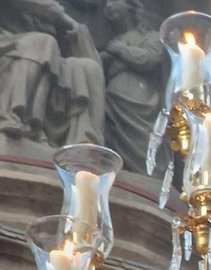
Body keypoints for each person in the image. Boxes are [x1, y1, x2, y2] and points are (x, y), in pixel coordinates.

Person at [0, 0, 105, 145]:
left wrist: (79, 35)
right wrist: (67, 20)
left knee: (89, 68)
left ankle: (84, 144)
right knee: (42, 43)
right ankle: (13, 117)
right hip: (7, 43)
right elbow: (43, 6)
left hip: (29, 46)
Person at [101, 0, 165, 174]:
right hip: (113, 97)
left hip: (140, 98)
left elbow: (149, 59)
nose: (108, 6)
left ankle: (149, 177)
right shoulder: (114, 40)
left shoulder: (151, 36)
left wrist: (121, 51)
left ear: (131, 6)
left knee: (143, 139)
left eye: (113, 1)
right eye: (106, 2)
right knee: (114, 140)